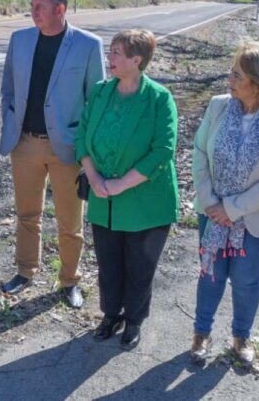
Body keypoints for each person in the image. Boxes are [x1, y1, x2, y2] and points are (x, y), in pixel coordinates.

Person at [190, 41, 259, 365]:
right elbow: (199, 153)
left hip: (257, 219)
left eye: (237, 74)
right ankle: (201, 333)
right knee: (210, 274)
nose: (230, 78)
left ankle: (241, 336)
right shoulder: (218, 106)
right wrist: (211, 202)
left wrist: (232, 209)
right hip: (212, 211)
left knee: (246, 279)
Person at [0, 0, 105, 308]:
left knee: (70, 222)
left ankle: (69, 280)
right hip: (25, 144)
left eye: (39, 6)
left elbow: (95, 100)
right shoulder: (20, 40)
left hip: (68, 149)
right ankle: (25, 270)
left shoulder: (88, 45)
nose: (33, 12)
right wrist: (13, 124)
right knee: (27, 214)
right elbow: (9, 91)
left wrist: (85, 147)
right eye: (31, 5)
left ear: (60, 9)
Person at [75, 29, 179, 351]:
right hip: (103, 197)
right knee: (108, 263)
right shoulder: (101, 91)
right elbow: (82, 137)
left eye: (117, 53)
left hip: (144, 202)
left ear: (137, 59)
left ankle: (133, 320)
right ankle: (111, 314)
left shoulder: (159, 98)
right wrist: (93, 178)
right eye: (111, 51)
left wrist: (119, 184)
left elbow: (163, 151)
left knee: (139, 265)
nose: (110, 58)